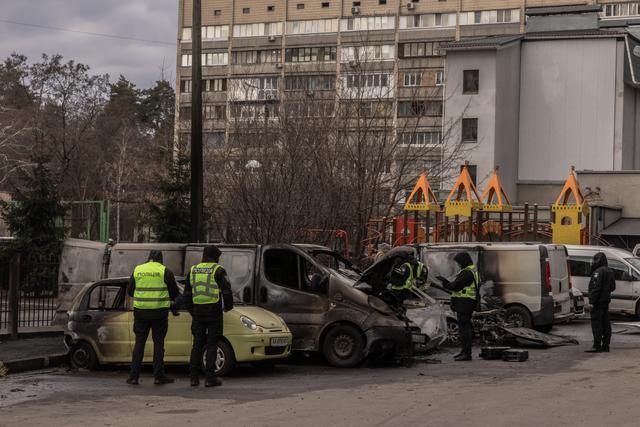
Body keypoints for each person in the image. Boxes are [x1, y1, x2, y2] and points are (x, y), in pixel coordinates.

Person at [126, 250, 180, 385]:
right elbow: (174, 293)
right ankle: (158, 376)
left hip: (140, 313)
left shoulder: (138, 270)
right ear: (160, 260)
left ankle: (133, 376)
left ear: (148, 258)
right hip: (159, 313)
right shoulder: (164, 271)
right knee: (158, 344)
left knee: (139, 343)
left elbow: (130, 291)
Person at [183, 245, 234, 387]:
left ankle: (193, 377)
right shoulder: (218, 270)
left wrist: (192, 311)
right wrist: (228, 307)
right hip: (213, 312)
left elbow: (187, 294)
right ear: (214, 256)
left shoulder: (193, 270)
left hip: (198, 312)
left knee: (197, 344)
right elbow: (226, 291)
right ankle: (210, 378)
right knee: (212, 344)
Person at [438, 252, 478, 361]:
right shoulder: (471, 270)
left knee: (464, 329)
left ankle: (466, 353)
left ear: (463, 261)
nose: (458, 264)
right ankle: (464, 352)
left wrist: (445, 282)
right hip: (466, 303)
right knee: (464, 329)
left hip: (464, 304)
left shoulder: (467, 272)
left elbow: (456, 286)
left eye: (459, 262)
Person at [586, 252, 616, 353]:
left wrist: (591, 301)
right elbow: (613, 287)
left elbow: (596, 288)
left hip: (597, 302)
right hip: (606, 301)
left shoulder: (597, 272)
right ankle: (606, 345)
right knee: (606, 323)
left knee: (596, 323)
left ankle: (596, 345)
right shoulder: (610, 271)